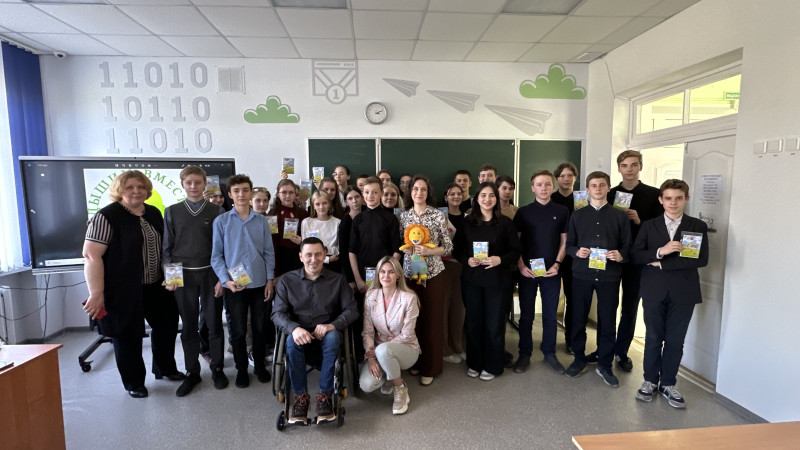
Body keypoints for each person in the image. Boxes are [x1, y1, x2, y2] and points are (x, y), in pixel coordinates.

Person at [82, 170, 182, 398]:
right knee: (127, 335)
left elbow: (168, 249)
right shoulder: (106, 216)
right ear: (119, 190)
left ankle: (165, 368)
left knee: (167, 326)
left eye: (141, 187)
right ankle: (134, 383)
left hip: (157, 286)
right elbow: (91, 256)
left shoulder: (154, 212)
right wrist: (96, 292)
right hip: (123, 290)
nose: (136, 191)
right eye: (129, 187)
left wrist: (173, 277)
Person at [631, 179, 709, 408]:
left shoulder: (697, 226)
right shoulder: (649, 225)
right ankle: (649, 381)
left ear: (686, 199)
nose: (673, 203)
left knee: (675, 340)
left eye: (678, 198)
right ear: (661, 200)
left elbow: (700, 259)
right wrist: (660, 251)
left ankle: (668, 383)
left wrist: (662, 264)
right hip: (654, 289)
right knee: (653, 338)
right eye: (668, 198)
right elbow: (636, 255)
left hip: (684, 291)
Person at [589, 150, 663, 372]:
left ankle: (621, 351)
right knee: (606, 307)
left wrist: (641, 220)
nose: (629, 169)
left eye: (633, 165)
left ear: (641, 166)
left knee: (629, 308)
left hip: (637, 261)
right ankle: (603, 349)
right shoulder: (609, 193)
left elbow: (660, 229)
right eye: (624, 165)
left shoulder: (654, 194)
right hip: (610, 258)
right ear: (619, 168)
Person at [272, 237, 358, 425]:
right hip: (299, 333)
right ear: (301, 257)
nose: (314, 259)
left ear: (325, 254)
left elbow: (352, 310)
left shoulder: (337, 280)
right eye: (308, 255)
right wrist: (294, 328)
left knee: (333, 337)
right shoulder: (287, 280)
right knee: (290, 341)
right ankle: (300, 399)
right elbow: (277, 313)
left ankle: (324, 397)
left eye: (318, 254)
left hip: (327, 333)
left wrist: (332, 325)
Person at [162, 166, 227, 396]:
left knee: (214, 324)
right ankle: (192, 372)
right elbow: (167, 248)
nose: (193, 186)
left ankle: (217, 367)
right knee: (188, 326)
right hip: (183, 277)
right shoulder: (171, 211)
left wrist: (221, 279)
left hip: (210, 274)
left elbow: (223, 248)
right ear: (182, 184)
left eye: (198, 182)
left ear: (205, 184)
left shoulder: (217, 211)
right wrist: (170, 277)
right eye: (189, 182)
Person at [564, 171, 631, 388]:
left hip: (609, 276)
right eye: (593, 185)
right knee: (578, 319)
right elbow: (569, 246)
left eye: (602, 185)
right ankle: (579, 359)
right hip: (581, 274)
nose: (598, 189)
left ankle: (604, 364)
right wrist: (577, 252)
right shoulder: (577, 216)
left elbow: (627, 247)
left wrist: (620, 255)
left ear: (609, 188)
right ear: (587, 189)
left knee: (607, 321)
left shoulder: (620, 216)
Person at [211, 174, 276, 389]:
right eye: (236, 191)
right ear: (230, 194)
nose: (241, 194)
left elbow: (268, 252)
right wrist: (225, 281)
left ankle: (259, 366)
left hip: (259, 283)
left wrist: (269, 280)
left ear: (250, 192)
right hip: (235, 286)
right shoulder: (221, 221)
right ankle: (241, 369)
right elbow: (216, 256)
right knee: (238, 330)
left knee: (260, 328)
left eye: (245, 190)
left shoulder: (261, 221)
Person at [453, 182, 520, 381]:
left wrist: (500, 259)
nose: (487, 199)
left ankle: (493, 365)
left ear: (496, 199)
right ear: (477, 198)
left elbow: (516, 251)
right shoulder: (467, 223)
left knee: (494, 324)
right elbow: (457, 250)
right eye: (483, 195)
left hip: (498, 282)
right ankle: (475, 362)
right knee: (474, 323)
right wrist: (467, 260)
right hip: (472, 281)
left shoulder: (506, 223)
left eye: (491, 195)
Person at [513, 170, 569, 375]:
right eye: (539, 184)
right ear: (532, 187)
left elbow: (565, 241)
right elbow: (515, 242)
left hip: (551, 273)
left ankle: (549, 353)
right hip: (527, 271)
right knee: (526, 316)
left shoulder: (562, 211)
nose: (543, 188)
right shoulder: (523, 212)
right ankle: (524, 354)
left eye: (547, 184)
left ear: (553, 186)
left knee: (550, 316)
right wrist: (521, 266)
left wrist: (557, 264)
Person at [399, 175, 453, 386]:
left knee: (432, 320)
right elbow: (400, 242)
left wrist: (429, 251)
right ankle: (416, 361)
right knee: (413, 320)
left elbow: (448, 247)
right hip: (410, 274)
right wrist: (408, 250)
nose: (419, 193)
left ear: (428, 192)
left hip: (433, 274)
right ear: (410, 192)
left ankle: (431, 367)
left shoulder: (438, 215)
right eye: (415, 189)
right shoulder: (404, 216)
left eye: (423, 189)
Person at [360, 256, 420, 415]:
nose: (386, 276)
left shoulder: (409, 298)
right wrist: (371, 358)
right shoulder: (371, 296)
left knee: (383, 350)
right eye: (382, 272)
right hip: (378, 351)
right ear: (378, 275)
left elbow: (407, 335)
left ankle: (399, 387)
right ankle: (390, 374)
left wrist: (378, 350)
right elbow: (368, 332)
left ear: (398, 275)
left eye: (391, 272)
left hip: (406, 349)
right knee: (366, 384)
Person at [349, 176, 402, 295]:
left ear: (381, 193)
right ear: (363, 194)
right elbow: (352, 251)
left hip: (385, 276)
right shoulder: (358, 219)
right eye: (367, 192)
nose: (370, 195)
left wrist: (388, 274)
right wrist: (358, 279)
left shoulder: (390, 218)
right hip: (362, 275)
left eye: (375, 192)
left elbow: (397, 250)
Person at [551, 162, 578, 354]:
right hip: (552, 256)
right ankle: (549, 340)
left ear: (575, 178)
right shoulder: (549, 198)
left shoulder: (583, 199)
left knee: (573, 300)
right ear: (557, 179)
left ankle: (571, 339)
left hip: (574, 257)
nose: (566, 179)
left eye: (570, 175)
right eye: (562, 176)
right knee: (551, 299)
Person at [441, 182, 466, 363]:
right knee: (443, 308)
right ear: (446, 197)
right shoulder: (439, 216)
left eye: (459, 193)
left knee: (459, 308)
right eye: (452, 194)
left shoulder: (469, 217)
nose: (456, 197)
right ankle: (444, 349)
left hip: (462, 267)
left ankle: (457, 344)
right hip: (443, 267)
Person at [268, 179, 308, 277]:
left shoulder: (303, 213)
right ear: (278, 194)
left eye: (291, 192)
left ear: (295, 194)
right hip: (280, 256)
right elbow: (271, 239)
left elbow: (309, 236)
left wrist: (302, 241)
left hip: (299, 255)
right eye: (284, 192)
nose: (287, 196)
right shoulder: (272, 214)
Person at [301, 191, 342, 272]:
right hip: (312, 262)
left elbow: (339, 249)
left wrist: (329, 257)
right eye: (317, 204)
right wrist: (327, 259)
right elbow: (305, 248)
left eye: (324, 203)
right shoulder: (306, 222)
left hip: (333, 263)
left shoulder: (338, 223)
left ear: (329, 204)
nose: (321, 207)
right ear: (313, 206)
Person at [338, 186, 362, 289]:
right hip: (351, 268)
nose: (354, 201)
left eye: (357, 197)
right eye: (350, 198)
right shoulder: (345, 222)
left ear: (362, 198)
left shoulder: (368, 215)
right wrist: (350, 279)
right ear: (346, 202)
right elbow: (343, 251)